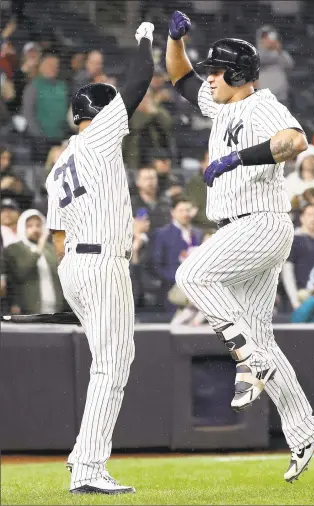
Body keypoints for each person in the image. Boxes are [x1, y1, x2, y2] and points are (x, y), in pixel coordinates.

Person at [166, 11, 314, 483]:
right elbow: (178, 75)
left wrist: (240, 157)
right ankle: (303, 428)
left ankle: (248, 359)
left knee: (191, 276)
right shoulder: (220, 104)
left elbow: (296, 141)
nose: (209, 76)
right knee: (262, 338)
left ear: (237, 76)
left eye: (216, 70)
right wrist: (176, 39)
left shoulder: (261, 105)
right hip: (249, 227)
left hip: (258, 223)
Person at [45, 22, 155, 495]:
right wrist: (147, 37)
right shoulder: (100, 137)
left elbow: (57, 238)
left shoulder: (59, 164)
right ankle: (88, 467)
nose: (118, 109)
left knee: (109, 362)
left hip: (75, 263)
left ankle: (84, 459)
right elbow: (141, 78)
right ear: (98, 111)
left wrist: (78, 290)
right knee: (113, 364)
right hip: (102, 262)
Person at [3, 209, 64, 314]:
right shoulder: (14, 248)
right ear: (22, 227)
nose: (35, 229)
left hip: (55, 309)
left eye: (38, 225)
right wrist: (39, 248)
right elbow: (22, 271)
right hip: (29, 310)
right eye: (30, 226)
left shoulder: (50, 249)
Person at [152, 196, 202, 311]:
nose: (185, 214)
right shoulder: (162, 234)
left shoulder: (198, 233)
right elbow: (156, 265)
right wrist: (175, 279)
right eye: (181, 210)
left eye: (188, 210)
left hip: (196, 289)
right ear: (173, 212)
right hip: (173, 288)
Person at [282, 204, 314, 310]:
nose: (313, 218)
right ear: (302, 217)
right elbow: (287, 272)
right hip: (297, 300)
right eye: (309, 214)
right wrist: (294, 301)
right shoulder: (293, 239)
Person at [257, 25, 294, 107]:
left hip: (281, 97)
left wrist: (279, 51)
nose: (268, 40)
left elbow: (289, 66)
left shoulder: (282, 54)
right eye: (265, 37)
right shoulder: (256, 54)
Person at [130, 166, 171, 233]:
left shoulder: (166, 203)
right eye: (146, 179)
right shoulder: (131, 204)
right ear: (138, 182)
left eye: (152, 178)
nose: (150, 182)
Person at [184, 149, 211, 231]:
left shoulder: (224, 179)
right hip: (201, 227)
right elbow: (194, 207)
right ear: (202, 163)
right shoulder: (194, 182)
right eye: (210, 159)